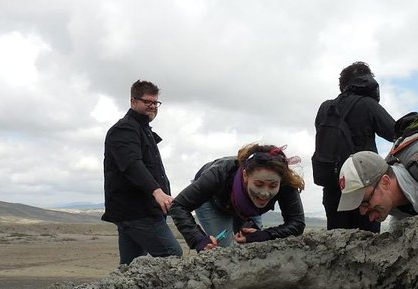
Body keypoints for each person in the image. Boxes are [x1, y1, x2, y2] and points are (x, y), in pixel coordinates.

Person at [102, 80, 183, 265]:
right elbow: (131, 164)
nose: (153, 106)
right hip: (137, 211)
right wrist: (157, 191)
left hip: (136, 211)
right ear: (133, 102)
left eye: (155, 103)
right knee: (172, 254)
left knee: (131, 266)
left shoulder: (142, 130)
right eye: (147, 102)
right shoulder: (124, 129)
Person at [170, 143, 306, 252]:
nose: (265, 193)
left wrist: (265, 235)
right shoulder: (219, 174)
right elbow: (178, 206)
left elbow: (297, 223)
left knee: (255, 246)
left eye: (273, 186)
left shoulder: (286, 181)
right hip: (213, 202)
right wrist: (198, 239)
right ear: (246, 176)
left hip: (248, 208)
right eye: (259, 184)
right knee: (223, 249)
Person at [314, 61, 395, 233]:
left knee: (336, 243)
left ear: (342, 85)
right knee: (368, 244)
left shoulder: (325, 108)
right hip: (365, 189)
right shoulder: (368, 104)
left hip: (333, 187)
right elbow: (395, 133)